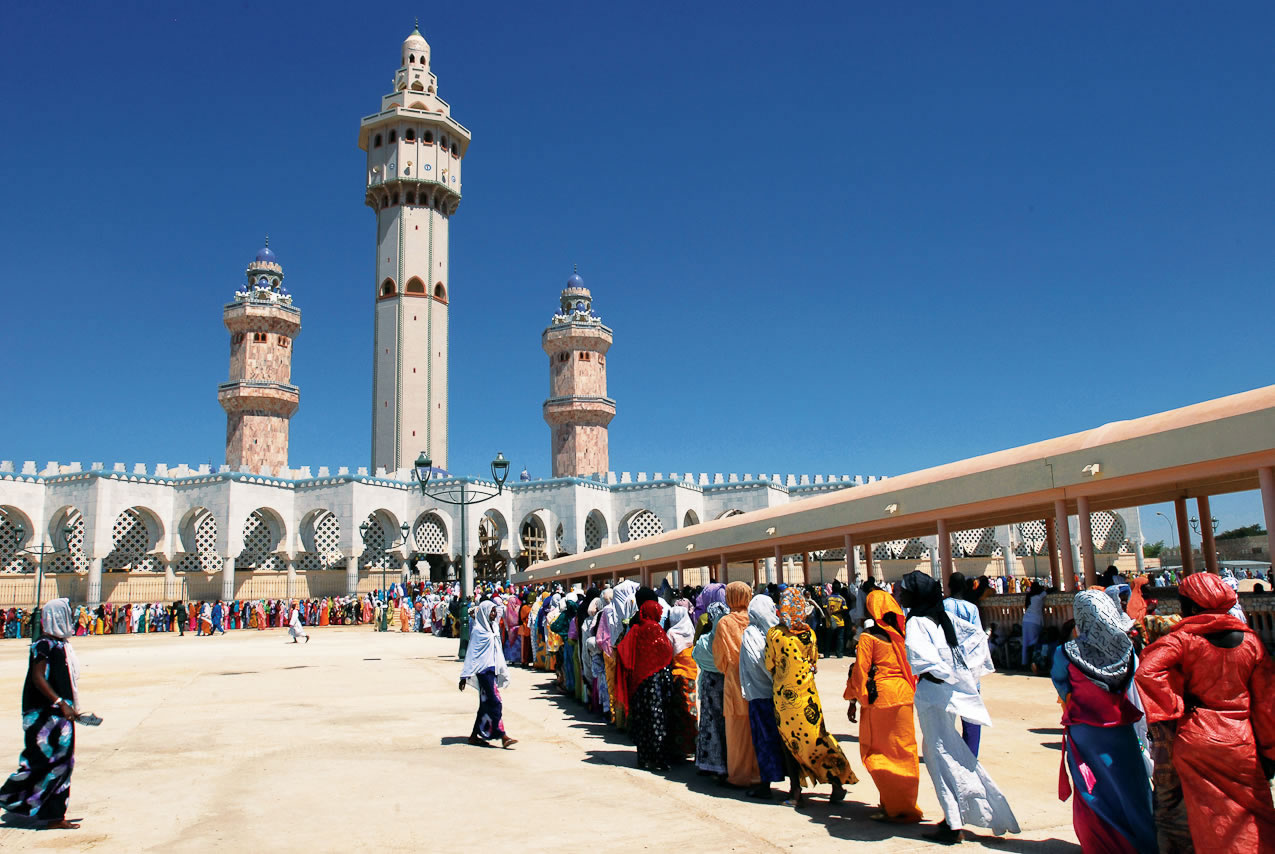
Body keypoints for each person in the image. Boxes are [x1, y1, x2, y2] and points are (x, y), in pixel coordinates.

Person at [1135, 571, 1275, 852]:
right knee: (1253, 815)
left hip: (1197, 735)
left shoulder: (1183, 640)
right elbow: (1266, 704)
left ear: (1192, 606)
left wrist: (1175, 708)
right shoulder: (1251, 643)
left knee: (1209, 818)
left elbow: (1148, 671)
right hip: (1241, 739)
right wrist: (1270, 750)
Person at [900, 571, 1019, 844]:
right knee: (945, 752)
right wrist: (960, 675)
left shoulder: (918, 622)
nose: (901, 594)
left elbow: (922, 658)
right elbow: (976, 639)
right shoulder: (941, 617)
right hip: (945, 693)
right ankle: (956, 816)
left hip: (933, 694)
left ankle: (954, 822)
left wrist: (947, 673)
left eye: (904, 590)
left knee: (940, 755)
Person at [1051, 591, 1157, 854]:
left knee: (1092, 790)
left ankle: (1100, 845)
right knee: (1131, 788)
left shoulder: (1066, 652)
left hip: (1085, 730)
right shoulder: (1127, 649)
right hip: (1121, 729)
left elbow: (1061, 686)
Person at [765, 587, 855, 807]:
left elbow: (769, 664)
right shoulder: (809, 634)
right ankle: (836, 784)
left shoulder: (775, 635)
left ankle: (795, 792)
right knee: (818, 739)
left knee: (789, 745)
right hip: (808, 697)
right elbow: (814, 663)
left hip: (784, 699)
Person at [0, 600, 84, 829]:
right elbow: (38, 678)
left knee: (62, 763)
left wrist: (69, 706)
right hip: (43, 715)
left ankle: (53, 815)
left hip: (60, 714)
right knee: (38, 762)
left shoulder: (61, 644)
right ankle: (8, 795)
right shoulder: (43, 645)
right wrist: (60, 702)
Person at [845, 588, 923, 823]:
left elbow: (861, 672)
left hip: (880, 698)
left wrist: (853, 699)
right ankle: (903, 804)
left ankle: (892, 805)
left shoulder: (868, 638)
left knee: (877, 753)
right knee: (903, 751)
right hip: (904, 696)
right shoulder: (901, 635)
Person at [617, 600, 676, 771]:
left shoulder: (636, 629)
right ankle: (658, 758)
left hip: (639, 683)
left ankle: (644, 758)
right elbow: (665, 651)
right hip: (654, 683)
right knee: (656, 720)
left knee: (642, 720)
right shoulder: (653, 628)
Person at [713, 581, 759, 789]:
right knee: (755, 729)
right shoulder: (756, 618)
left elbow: (720, 658)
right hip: (758, 681)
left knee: (737, 732)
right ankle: (758, 774)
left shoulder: (725, 622)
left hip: (734, 680)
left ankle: (739, 775)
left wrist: (730, 669)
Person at [740, 593, 784, 799]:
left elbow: (759, 661)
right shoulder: (777, 632)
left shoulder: (752, 633)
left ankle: (765, 784)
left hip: (760, 693)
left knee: (765, 740)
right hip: (779, 693)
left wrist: (774, 677)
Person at [458, 600, 517, 749]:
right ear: (485, 613)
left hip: (493, 669)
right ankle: (502, 735)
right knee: (495, 702)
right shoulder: (478, 631)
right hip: (483, 672)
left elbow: (503, 608)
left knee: (485, 705)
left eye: (493, 611)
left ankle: (474, 735)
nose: (493, 614)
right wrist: (464, 676)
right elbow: (472, 653)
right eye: (491, 611)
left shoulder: (493, 627)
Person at [693, 601, 730, 778]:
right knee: (726, 724)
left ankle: (709, 763)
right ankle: (728, 762)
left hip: (710, 685)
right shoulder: (729, 639)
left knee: (709, 722)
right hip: (728, 684)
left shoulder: (705, 641)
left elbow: (696, 656)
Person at [664, 604, 699, 758]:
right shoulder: (691, 630)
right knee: (693, 711)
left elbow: (668, 654)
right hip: (694, 674)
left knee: (680, 714)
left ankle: (681, 748)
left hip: (679, 676)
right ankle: (694, 745)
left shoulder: (671, 633)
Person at [1021, 581, 1046, 668]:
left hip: (1026, 620)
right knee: (1034, 642)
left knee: (1025, 642)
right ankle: (1033, 661)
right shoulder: (1039, 596)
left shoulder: (1029, 596)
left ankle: (1024, 662)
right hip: (1035, 621)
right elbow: (1050, 590)